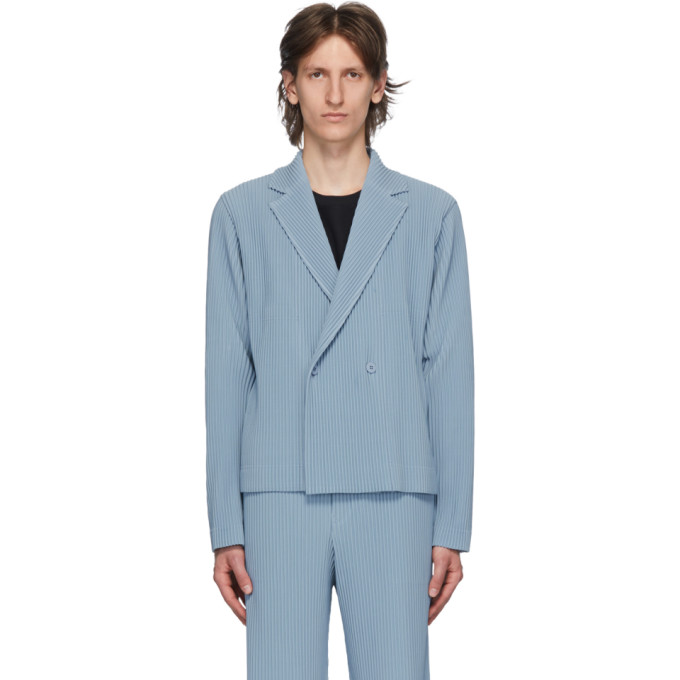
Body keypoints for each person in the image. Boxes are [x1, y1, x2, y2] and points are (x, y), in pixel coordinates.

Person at [205, 3, 475, 678]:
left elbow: (449, 374)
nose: (334, 94)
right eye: (316, 74)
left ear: (378, 84)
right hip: (279, 490)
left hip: (394, 488)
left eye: (352, 74)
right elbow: (225, 376)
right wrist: (224, 525)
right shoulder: (240, 215)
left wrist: (453, 524)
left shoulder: (432, 215)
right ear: (290, 84)